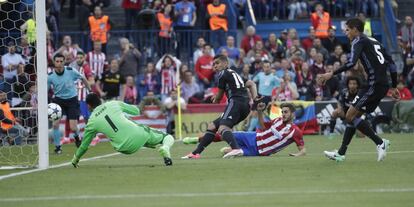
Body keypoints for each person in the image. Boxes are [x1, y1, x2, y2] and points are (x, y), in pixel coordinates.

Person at [318, 18, 399, 162]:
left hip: (373, 85)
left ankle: (380, 143)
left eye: (347, 29)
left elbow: (351, 63)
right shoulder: (374, 41)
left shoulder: (358, 41)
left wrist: (331, 73)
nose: (345, 32)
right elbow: (392, 64)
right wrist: (393, 85)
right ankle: (341, 153)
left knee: (349, 116)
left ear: (355, 29)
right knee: (353, 117)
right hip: (382, 85)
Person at [182, 55, 258, 159]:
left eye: (217, 63)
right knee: (212, 126)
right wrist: (255, 98)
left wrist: (215, 98)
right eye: (214, 64)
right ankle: (196, 153)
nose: (215, 66)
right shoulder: (235, 74)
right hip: (244, 106)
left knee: (223, 128)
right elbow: (251, 83)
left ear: (226, 63)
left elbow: (219, 97)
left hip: (236, 103)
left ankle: (236, 148)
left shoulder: (223, 74)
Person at [71, 93, 175, 167]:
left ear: (88, 105)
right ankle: (165, 148)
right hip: (139, 135)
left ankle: (156, 145)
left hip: (123, 147)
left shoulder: (91, 122)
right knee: (167, 137)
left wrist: (75, 159)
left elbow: (84, 145)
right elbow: (136, 111)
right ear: (99, 100)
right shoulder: (113, 103)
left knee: (136, 134)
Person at [183, 102, 306, 157]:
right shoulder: (278, 120)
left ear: (293, 114)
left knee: (227, 153)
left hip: (259, 152)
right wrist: (259, 112)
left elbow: (303, 150)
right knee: (224, 133)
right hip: (253, 137)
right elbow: (263, 126)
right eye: (282, 112)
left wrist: (297, 154)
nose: (283, 114)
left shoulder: (295, 131)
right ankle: (196, 139)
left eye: (286, 112)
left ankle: (230, 149)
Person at [48, 54, 92, 154]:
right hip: (58, 100)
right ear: (54, 62)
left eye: (61, 61)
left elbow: (83, 78)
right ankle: (58, 147)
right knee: (55, 124)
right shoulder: (50, 76)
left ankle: (77, 137)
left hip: (72, 100)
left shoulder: (71, 71)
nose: (59, 63)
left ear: (64, 62)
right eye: (57, 61)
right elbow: (45, 90)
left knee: (73, 127)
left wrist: (91, 91)